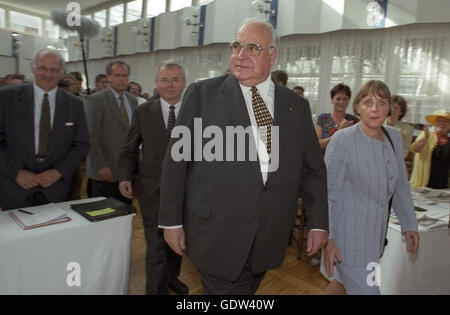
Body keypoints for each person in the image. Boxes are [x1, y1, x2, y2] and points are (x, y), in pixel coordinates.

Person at [158, 19, 329, 295]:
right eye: (237, 46)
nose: (240, 55)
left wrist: (319, 223)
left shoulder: (295, 106)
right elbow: (176, 163)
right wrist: (171, 221)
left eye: (253, 48)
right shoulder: (202, 95)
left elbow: (312, 171)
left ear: (272, 55)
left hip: (268, 238)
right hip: (215, 233)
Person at [324, 80, 419, 295]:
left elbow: (401, 185)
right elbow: (327, 193)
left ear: (389, 107)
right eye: (368, 102)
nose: (375, 109)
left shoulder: (392, 136)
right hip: (346, 242)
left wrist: (409, 224)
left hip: (375, 241)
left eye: (382, 102)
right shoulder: (343, 139)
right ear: (357, 107)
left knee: (340, 285)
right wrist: (328, 238)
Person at [118, 60, 189, 295]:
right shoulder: (143, 111)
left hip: (187, 194)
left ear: (184, 83)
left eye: (175, 79)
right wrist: (124, 176)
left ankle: (172, 278)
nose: (170, 85)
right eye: (164, 80)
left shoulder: (196, 111)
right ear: (156, 83)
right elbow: (130, 148)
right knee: (156, 247)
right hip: (152, 192)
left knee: (177, 243)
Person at [0, 49, 89, 210]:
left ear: (62, 72)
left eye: (54, 70)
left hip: (56, 189)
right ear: (33, 68)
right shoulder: (6, 98)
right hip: (14, 186)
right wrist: (16, 173)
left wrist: (58, 172)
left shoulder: (74, 104)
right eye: (43, 68)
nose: (48, 74)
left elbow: (82, 144)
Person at [85, 61, 137, 204]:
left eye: (125, 76)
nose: (122, 79)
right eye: (117, 75)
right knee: (103, 216)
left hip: (125, 171)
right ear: (108, 77)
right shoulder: (96, 100)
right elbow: (91, 137)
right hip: (103, 171)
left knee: (123, 214)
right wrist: (101, 166)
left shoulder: (132, 100)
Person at [410, 109, 450, 189]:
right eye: (439, 121)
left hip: (442, 186)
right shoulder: (426, 135)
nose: (441, 123)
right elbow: (415, 149)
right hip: (422, 185)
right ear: (435, 123)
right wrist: (425, 138)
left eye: (444, 121)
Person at [315, 83, 358, 151]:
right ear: (332, 100)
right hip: (322, 160)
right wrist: (339, 132)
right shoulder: (322, 118)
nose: (341, 102)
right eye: (338, 99)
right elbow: (317, 145)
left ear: (348, 101)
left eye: (345, 99)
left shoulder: (354, 120)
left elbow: (356, 147)